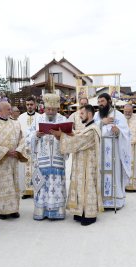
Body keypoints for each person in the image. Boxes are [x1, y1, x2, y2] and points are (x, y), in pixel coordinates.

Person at [52, 104, 103, 226]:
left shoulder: (93, 130)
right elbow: (78, 134)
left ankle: (89, 215)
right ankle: (79, 212)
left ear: (89, 114)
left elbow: (78, 141)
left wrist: (62, 136)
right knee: (80, 186)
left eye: (82, 113)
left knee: (87, 187)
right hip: (80, 165)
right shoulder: (87, 127)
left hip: (88, 166)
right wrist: (65, 134)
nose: (79, 116)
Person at [26, 92, 68, 220]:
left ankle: (57, 212)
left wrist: (61, 136)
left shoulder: (63, 120)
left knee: (57, 187)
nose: (50, 111)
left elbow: (69, 137)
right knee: (42, 187)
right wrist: (36, 136)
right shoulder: (38, 119)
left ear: (57, 109)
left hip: (57, 159)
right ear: (44, 108)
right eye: (48, 109)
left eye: (53, 109)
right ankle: (41, 211)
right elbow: (28, 137)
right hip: (42, 160)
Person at [0, 102, 25, 219]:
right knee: (2, 186)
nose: (11, 111)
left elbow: (22, 140)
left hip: (13, 160)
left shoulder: (16, 124)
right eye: (8, 109)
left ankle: (14, 209)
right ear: (0, 111)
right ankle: (2, 210)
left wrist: (18, 150)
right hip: (1, 161)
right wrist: (5, 151)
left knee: (13, 184)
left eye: (10, 109)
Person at [93, 93, 131, 210]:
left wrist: (118, 131)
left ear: (109, 101)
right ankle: (100, 201)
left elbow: (127, 133)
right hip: (99, 152)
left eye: (102, 101)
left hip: (114, 152)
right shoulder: (96, 116)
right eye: (99, 102)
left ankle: (116, 200)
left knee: (113, 174)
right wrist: (102, 123)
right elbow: (90, 129)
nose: (100, 104)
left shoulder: (118, 115)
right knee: (99, 173)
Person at [17, 96, 40, 199]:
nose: (29, 106)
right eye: (27, 105)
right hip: (24, 147)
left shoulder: (40, 117)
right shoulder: (20, 117)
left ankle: (36, 189)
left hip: (36, 147)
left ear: (35, 105)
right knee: (24, 169)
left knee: (36, 168)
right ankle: (26, 191)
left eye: (31, 104)